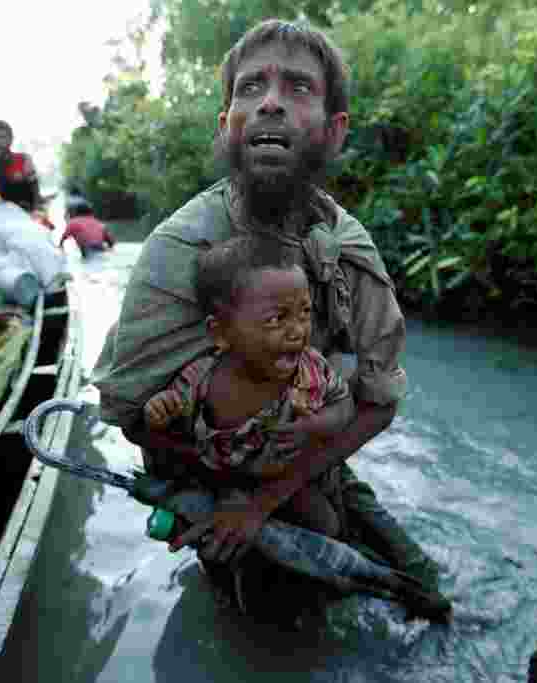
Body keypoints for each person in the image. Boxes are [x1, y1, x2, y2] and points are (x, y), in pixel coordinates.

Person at [93, 19, 451, 620]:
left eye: (299, 88)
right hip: (207, 478)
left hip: (309, 456)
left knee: (427, 594)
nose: (271, 103)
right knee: (269, 610)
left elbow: (380, 399)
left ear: (335, 133)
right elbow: (128, 412)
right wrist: (229, 495)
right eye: (251, 88)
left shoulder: (349, 250)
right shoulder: (179, 252)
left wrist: (274, 491)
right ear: (227, 124)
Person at [144, 236, 354, 538]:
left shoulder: (311, 369)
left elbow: (344, 406)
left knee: (327, 525)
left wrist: (316, 425)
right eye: (276, 319)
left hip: (288, 479)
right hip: (221, 480)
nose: (298, 331)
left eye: (305, 312)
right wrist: (159, 411)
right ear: (221, 333)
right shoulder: (199, 382)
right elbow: (167, 427)